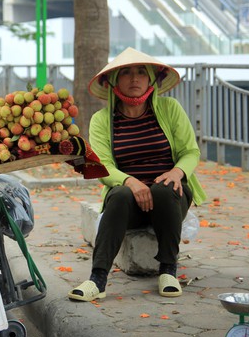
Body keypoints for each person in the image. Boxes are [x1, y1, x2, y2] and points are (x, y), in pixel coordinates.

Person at [68, 47, 206, 302]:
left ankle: (168, 271)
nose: (135, 79)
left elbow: (190, 151)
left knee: (163, 189)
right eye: (127, 73)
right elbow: (103, 166)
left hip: (170, 199)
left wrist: (177, 172)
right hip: (129, 202)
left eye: (142, 72)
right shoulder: (102, 120)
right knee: (119, 195)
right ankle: (97, 278)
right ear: (114, 81)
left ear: (151, 79)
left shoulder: (170, 108)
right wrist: (130, 182)